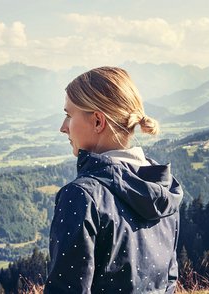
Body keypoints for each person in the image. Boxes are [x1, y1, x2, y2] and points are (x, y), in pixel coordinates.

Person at [44, 66, 183, 293]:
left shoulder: (82, 196)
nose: (63, 127)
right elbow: (169, 281)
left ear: (98, 121)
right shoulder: (163, 188)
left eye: (69, 115)